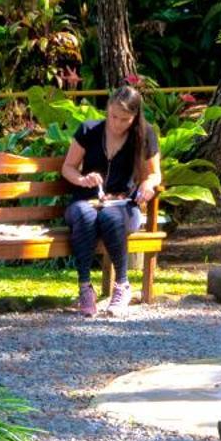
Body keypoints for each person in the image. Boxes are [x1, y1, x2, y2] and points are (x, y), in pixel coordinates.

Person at [60, 85, 161, 317]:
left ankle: (122, 285)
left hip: (122, 204)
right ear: (107, 110)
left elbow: (155, 174)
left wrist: (147, 184)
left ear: (135, 117)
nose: (116, 123)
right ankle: (85, 287)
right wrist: (83, 179)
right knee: (84, 215)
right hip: (86, 200)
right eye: (113, 116)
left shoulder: (144, 135)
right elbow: (68, 167)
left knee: (109, 217)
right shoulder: (89, 130)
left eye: (124, 119)